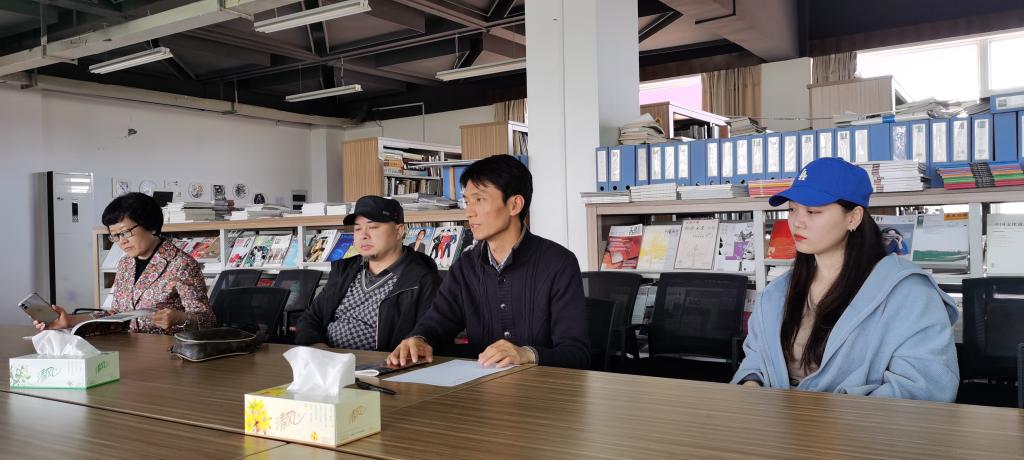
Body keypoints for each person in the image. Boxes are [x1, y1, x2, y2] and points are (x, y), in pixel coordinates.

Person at [732, 158, 959, 402]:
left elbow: (926, 387)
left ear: (853, 217)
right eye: (792, 209)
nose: (797, 222)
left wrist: (826, 415)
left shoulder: (909, 293)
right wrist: (751, 386)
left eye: (813, 211)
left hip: (859, 425)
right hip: (776, 421)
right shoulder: (777, 292)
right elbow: (755, 360)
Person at [387, 155, 590, 369]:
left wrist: (527, 354)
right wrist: (419, 340)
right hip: (481, 384)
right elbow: (437, 322)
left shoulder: (559, 264)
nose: (469, 212)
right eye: (467, 201)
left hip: (541, 387)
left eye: (480, 200)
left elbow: (577, 354)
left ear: (514, 205)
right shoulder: (465, 266)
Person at [34, 192, 216, 334]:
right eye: (115, 236)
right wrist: (70, 321)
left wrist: (179, 318)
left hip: (168, 352)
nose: (121, 241)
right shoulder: (126, 264)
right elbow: (118, 315)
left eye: (125, 233)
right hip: (130, 348)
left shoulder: (181, 265)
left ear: (151, 226)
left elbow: (207, 321)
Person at [294, 196, 442, 351]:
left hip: (378, 363)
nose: (363, 235)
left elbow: (430, 332)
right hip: (328, 359)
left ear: (398, 231)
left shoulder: (422, 280)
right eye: (357, 229)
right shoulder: (344, 271)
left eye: (373, 227)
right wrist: (319, 347)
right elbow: (310, 319)